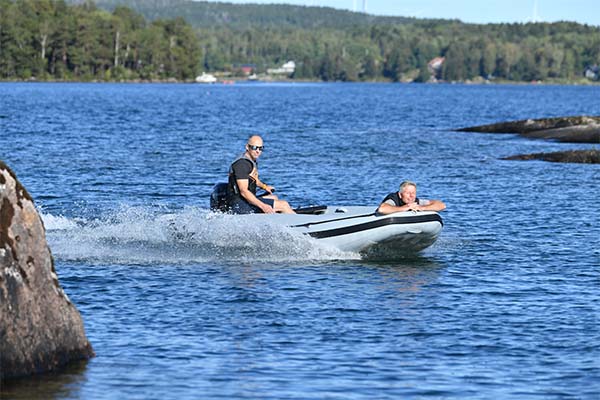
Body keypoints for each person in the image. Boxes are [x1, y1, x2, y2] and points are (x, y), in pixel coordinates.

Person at [226, 135, 295, 214]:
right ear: (247, 147)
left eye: (260, 148)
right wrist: (263, 206)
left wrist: (264, 187)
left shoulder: (250, 160)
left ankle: (281, 218)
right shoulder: (242, 164)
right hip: (239, 205)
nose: (258, 151)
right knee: (283, 204)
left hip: (244, 201)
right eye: (254, 148)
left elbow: (254, 179)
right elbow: (244, 191)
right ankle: (299, 223)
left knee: (274, 197)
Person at [377, 180, 446, 214]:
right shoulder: (393, 199)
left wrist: (422, 208)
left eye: (413, 193)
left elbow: (441, 205)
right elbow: (382, 209)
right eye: (408, 193)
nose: (411, 196)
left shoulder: (415, 200)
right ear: (400, 194)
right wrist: (406, 207)